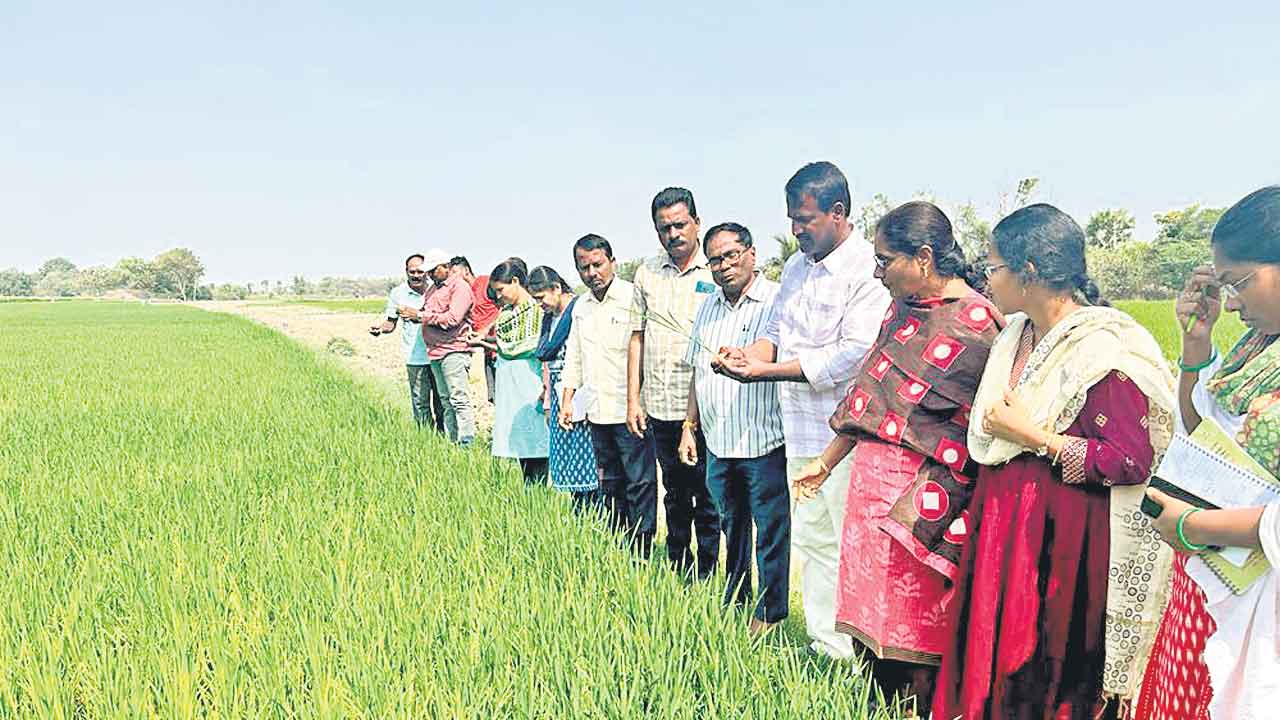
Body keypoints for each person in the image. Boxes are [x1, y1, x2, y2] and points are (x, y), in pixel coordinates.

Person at [931, 204, 1176, 720]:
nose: (986, 276)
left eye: (994, 266)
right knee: (994, 658)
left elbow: (1130, 461)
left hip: (1060, 537)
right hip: (1005, 520)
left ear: (1031, 272)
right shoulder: (1014, 335)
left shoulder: (1104, 349)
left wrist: (1037, 438)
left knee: (1038, 661)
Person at [790, 201, 1002, 710]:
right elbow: (871, 393)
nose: (878, 271)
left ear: (924, 257)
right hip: (869, 488)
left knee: (914, 624)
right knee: (867, 615)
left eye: (886, 261)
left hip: (927, 501)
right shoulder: (901, 310)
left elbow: (984, 430)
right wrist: (827, 460)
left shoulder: (979, 324)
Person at [716, 161, 891, 660]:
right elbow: (775, 331)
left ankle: (866, 655)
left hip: (846, 438)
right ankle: (827, 646)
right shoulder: (795, 267)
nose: (796, 230)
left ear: (838, 213)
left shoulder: (866, 270)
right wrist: (749, 356)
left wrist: (764, 373)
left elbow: (853, 354)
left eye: (805, 219)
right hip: (800, 434)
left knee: (852, 546)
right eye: (791, 219)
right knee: (813, 542)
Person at [1135, 185, 1280, 720]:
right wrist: (1195, 352)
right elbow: (1205, 445)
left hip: (1260, 596)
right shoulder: (1257, 349)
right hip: (1215, 583)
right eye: (1225, 286)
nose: (1234, 301)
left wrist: (1194, 526)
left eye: (1241, 282)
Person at [678, 222, 789, 634]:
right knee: (731, 527)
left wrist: (743, 357)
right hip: (718, 440)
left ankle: (770, 613)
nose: (723, 266)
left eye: (731, 255)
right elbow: (695, 372)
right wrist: (690, 426)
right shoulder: (707, 307)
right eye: (715, 260)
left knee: (771, 532)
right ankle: (736, 599)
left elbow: (773, 355)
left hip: (762, 439)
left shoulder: (776, 300)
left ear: (751, 254)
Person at [630, 187, 720, 579]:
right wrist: (634, 399)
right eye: (664, 227)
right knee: (675, 493)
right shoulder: (647, 272)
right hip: (661, 404)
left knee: (709, 496)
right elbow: (637, 336)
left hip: (706, 407)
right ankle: (680, 570)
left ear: (697, 223)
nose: (673, 234)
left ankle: (711, 573)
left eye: (680, 224)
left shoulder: (715, 270)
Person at [559, 234, 658, 557]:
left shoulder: (633, 297)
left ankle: (641, 551)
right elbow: (574, 354)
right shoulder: (581, 307)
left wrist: (637, 402)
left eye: (597, 264)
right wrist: (567, 400)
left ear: (612, 262)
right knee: (609, 482)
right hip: (597, 411)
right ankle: (619, 546)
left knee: (640, 483)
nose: (592, 273)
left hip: (630, 411)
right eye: (583, 267)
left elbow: (644, 353)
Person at [530, 265, 600, 506]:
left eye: (541, 298)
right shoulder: (549, 319)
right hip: (560, 394)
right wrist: (549, 399)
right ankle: (579, 508)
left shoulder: (579, 310)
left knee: (586, 455)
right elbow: (547, 361)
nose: (540, 304)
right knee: (569, 456)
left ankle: (595, 509)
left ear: (556, 288)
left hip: (580, 393)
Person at [479, 259, 550, 484]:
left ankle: (539, 495)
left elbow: (537, 348)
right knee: (521, 445)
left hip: (530, 383)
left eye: (500, 290)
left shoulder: (537, 311)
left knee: (537, 443)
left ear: (516, 282)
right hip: (510, 387)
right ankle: (530, 492)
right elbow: (505, 347)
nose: (498, 296)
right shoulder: (507, 314)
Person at [369, 253, 445, 432]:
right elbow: (391, 322)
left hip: (438, 354)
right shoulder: (398, 293)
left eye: (420, 271)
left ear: (427, 271)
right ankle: (426, 438)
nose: (416, 275)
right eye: (412, 272)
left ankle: (444, 438)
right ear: (406, 272)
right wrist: (380, 328)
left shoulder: (436, 289)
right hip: (415, 356)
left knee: (442, 402)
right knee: (420, 403)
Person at [420, 248, 477, 447]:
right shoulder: (432, 289)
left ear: (446, 267)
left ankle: (466, 443)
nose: (429, 274)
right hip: (435, 350)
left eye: (433, 270)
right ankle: (452, 442)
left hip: (454, 348)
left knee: (458, 398)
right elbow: (427, 312)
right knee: (445, 400)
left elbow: (453, 318)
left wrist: (420, 317)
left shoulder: (459, 287)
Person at [451, 256, 500, 403]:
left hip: (500, 346)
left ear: (466, 271)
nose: (452, 277)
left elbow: (505, 309)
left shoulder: (485, 283)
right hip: (487, 349)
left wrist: (486, 330)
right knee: (494, 396)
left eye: (454, 272)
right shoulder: (461, 294)